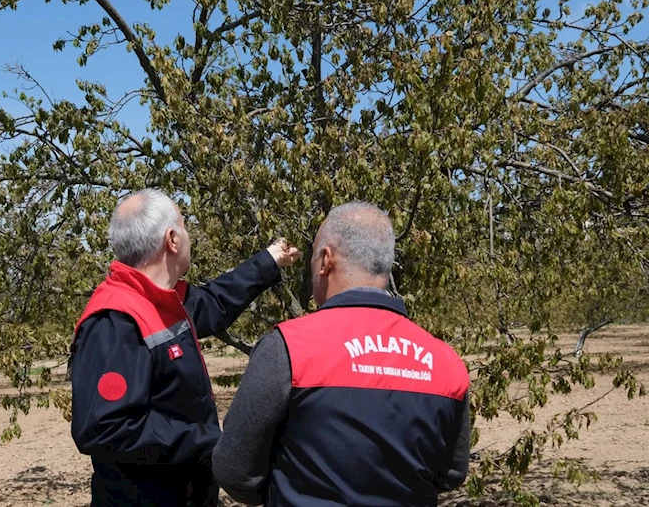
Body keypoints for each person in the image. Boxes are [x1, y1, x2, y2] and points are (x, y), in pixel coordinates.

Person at [212, 201, 471, 506]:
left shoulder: (288, 348)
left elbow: (234, 470)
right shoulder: (446, 363)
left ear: (325, 260)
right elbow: (452, 473)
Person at [70, 188, 300, 507]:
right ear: (172, 240)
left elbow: (216, 302)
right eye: (185, 226)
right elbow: (104, 427)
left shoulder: (166, 299)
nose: (190, 235)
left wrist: (269, 261)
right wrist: (206, 441)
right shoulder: (116, 320)